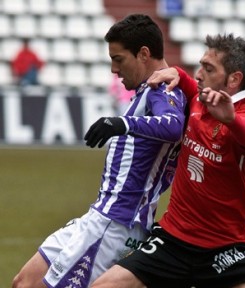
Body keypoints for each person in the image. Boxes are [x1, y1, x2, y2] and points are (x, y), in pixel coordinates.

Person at [90, 34, 245, 288]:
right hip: (174, 240)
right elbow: (190, 84)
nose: (199, 74)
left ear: (234, 79)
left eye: (208, 68)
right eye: (200, 65)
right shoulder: (199, 98)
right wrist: (178, 73)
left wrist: (231, 120)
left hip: (227, 248)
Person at [12, 14, 186, 288]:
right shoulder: (147, 90)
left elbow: (174, 126)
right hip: (99, 215)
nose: (114, 70)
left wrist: (120, 123)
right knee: (25, 281)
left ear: (143, 54)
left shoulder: (162, 89)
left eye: (119, 59)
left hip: (117, 223)